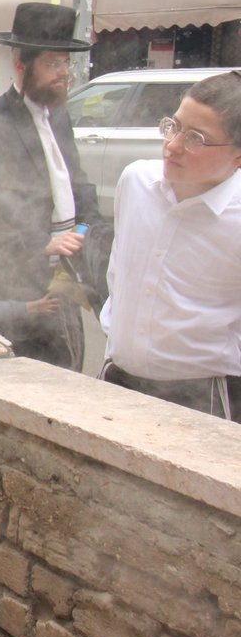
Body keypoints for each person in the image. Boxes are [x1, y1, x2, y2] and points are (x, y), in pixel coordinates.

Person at [0, 3, 103, 371]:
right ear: (21, 66)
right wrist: (42, 243)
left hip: (66, 276)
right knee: (26, 377)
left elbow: (79, 184)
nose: (63, 75)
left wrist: (87, 229)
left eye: (65, 64)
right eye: (51, 65)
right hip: (17, 281)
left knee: (70, 370)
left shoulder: (58, 114)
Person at [99, 71, 241, 422]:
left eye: (196, 139)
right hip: (117, 381)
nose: (173, 145)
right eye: (173, 126)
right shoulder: (136, 182)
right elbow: (119, 275)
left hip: (201, 398)